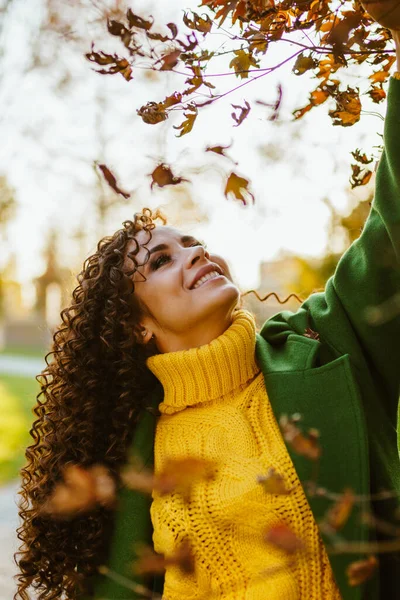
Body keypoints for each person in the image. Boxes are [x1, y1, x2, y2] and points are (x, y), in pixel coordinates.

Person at [14, 27, 400, 600]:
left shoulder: (325, 344)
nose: (195, 252)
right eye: (163, 259)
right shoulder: (134, 459)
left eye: (191, 241)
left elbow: (391, 235)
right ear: (135, 327)